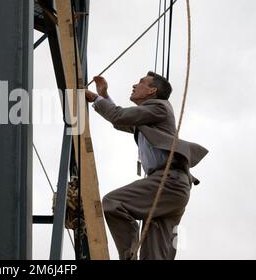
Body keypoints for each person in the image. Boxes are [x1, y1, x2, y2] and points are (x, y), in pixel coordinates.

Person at [85, 71, 208, 260]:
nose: (135, 85)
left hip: (168, 182)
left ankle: (128, 256)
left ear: (152, 90)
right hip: (173, 187)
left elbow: (118, 116)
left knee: (113, 203)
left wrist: (97, 98)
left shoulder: (159, 107)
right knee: (154, 255)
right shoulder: (148, 119)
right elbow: (120, 122)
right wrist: (103, 97)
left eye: (141, 82)